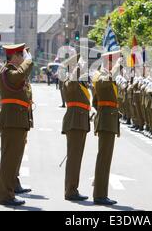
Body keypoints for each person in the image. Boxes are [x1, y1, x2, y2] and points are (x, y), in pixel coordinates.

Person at [0, 44, 34, 207]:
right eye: (22, 55)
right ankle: (5, 195)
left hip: (16, 120)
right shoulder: (7, 71)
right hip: (12, 121)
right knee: (9, 160)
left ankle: (9, 192)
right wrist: (29, 61)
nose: (23, 59)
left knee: (12, 160)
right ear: (15, 56)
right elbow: (19, 75)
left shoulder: (11, 72)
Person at [91, 50, 121, 206]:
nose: (117, 64)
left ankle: (100, 191)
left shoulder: (105, 75)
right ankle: (100, 194)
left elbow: (95, 101)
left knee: (105, 158)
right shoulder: (100, 75)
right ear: (108, 62)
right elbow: (103, 85)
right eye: (115, 61)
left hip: (108, 119)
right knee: (104, 158)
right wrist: (115, 69)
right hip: (106, 121)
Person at [61, 55, 90, 202]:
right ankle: (71, 191)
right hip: (75, 122)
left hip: (79, 122)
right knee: (74, 159)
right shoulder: (69, 82)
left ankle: (72, 189)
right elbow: (73, 81)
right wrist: (78, 66)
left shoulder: (79, 83)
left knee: (75, 159)